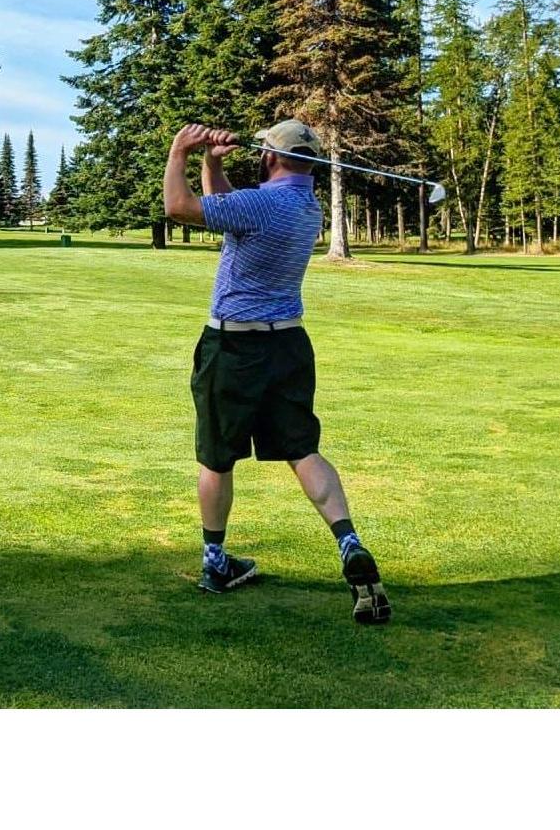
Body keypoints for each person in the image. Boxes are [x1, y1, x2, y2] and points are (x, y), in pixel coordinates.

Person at [162, 119, 392, 625]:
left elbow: (180, 208)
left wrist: (181, 151)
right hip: (287, 343)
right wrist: (212, 163)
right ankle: (348, 540)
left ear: (268, 157)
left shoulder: (263, 203)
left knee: (217, 456)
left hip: (233, 346)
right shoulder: (304, 206)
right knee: (302, 449)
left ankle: (216, 562)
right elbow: (226, 213)